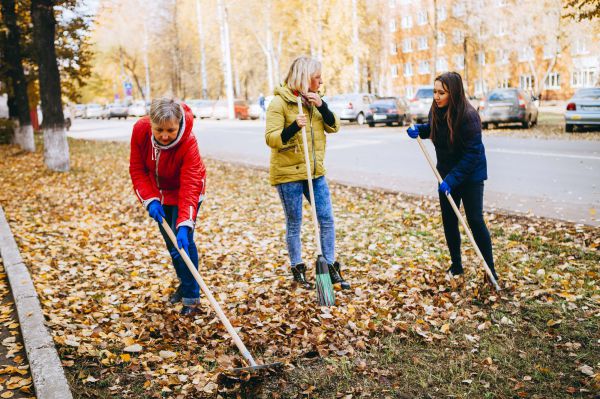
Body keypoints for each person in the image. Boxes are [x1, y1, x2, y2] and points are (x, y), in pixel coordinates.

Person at [265, 56, 350, 291]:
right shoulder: (279, 103)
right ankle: (298, 268)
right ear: (304, 78)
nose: (321, 81)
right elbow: (271, 139)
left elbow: (334, 127)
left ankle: (330, 267)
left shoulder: (315, 102)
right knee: (295, 223)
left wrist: (322, 106)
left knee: (326, 219)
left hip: (315, 171)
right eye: (317, 77)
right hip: (289, 174)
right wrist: (294, 127)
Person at [406, 72, 498, 283]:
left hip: (471, 174)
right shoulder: (436, 110)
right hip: (446, 173)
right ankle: (456, 266)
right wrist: (420, 130)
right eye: (435, 92)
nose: (436, 97)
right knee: (449, 220)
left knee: (475, 220)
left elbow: (472, 154)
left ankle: (490, 269)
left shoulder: (468, 115)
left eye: (441, 93)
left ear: (453, 93)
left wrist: (452, 179)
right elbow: (435, 129)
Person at [129, 97, 207, 316]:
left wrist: (185, 223)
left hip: (186, 192)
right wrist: (150, 199)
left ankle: (192, 297)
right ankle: (184, 284)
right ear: (150, 123)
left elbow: (190, 185)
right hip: (159, 195)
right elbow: (137, 169)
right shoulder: (140, 130)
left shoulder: (189, 142)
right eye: (159, 129)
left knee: (184, 241)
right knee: (172, 247)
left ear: (179, 123)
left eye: (170, 130)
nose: (164, 136)